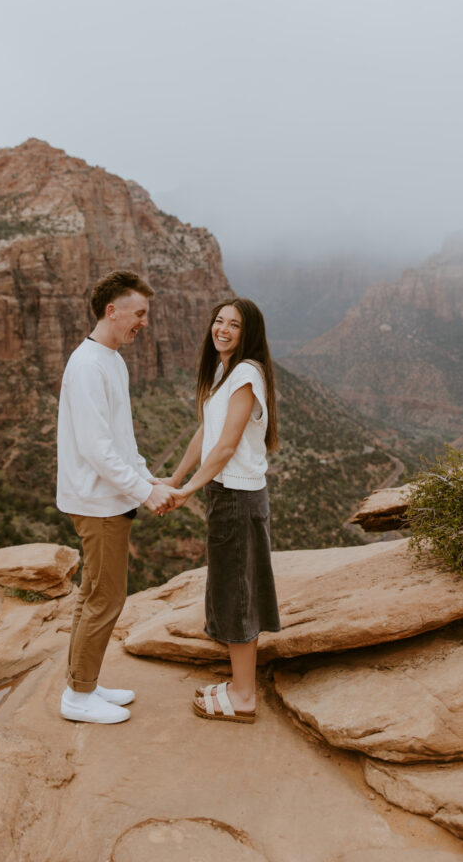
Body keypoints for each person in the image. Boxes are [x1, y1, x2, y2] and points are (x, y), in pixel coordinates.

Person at [57, 269, 176, 724]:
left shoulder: (111, 359)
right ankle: (78, 697)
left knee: (94, 595)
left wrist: (149, 478)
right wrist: (145, 493)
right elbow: (96, 448)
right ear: (113, 310)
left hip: (111, 497)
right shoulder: (88, 365)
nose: (143, 323)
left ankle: (83, 682)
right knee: (106, 598)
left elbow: (121, 441)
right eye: (139, 313)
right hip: (97, 502)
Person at [165, 298, 281, 723]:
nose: (223, 330)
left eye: (234, 325)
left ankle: (245, 698)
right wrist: (176, 479)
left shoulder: (247, 374)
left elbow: (228, 444)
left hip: (236, 497)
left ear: (248, 332)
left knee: (237, 594)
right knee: (231, 589)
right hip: (225, 493)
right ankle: (238, 685)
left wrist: (189, 491)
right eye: (219, 321)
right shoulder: (224, 372)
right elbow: (206, 431)